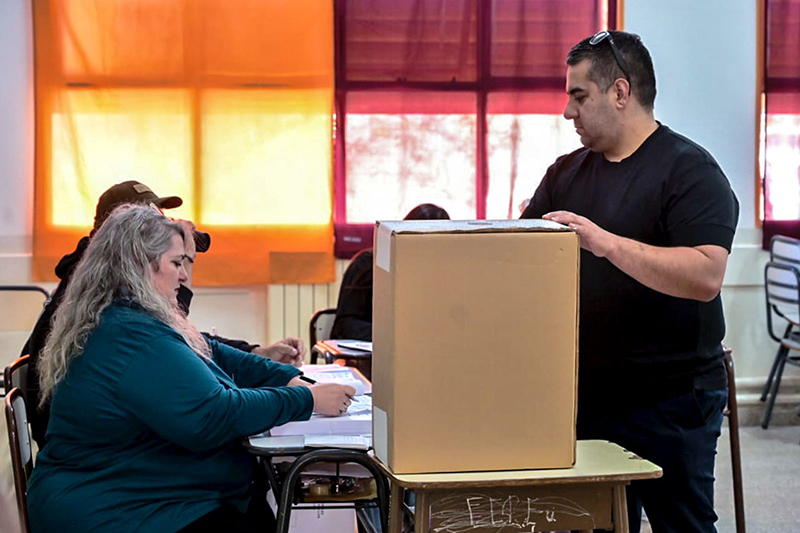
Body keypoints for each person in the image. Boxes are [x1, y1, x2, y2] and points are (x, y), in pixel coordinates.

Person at [521, 31, 739, 533]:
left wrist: (606, 243)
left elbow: (706, 274)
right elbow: (522, 253)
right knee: (589, 522)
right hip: (588, 392)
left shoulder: (691, 171)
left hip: (671, 399)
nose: (567, 112)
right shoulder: (565, 173)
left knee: (679, 524)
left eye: (579, 96)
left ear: (620, 93)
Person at [26, 204, 355, 533]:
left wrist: (283, 375)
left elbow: (210, 351)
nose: (184, 275)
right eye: (176, 263)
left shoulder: (126, 316)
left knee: (254, 510)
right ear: (142, 265)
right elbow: (212, 415)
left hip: (130, 489)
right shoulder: (129, 334)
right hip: (109, 508)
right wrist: (306, 400)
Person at [23, 180, 303, 448]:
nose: (161, 225)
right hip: (93, 446)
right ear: (125, 235)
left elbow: (181, 341)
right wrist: (300, 398)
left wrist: (255, 352)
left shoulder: (103, 285)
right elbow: (171, 351)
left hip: (97, 438)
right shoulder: (108, 301)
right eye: (149, 220)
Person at [330, 203, 450, 341]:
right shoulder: (368, 265)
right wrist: (396, 337)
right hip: (373, 355)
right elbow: (344, 327)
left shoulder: (442, 274)